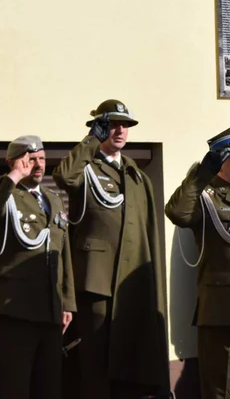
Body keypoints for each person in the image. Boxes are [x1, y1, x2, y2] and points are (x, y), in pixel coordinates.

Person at [52, 100, 168, 399]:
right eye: (112, 124)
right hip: (97, 280)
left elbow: (147, 232)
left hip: (131, 280)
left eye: (125, 125)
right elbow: (64, 176)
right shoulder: (87, 168)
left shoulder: (136, 175)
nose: (120, 130)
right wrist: (92, 139)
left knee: (131, 358)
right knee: (95, 361)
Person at [0, 135, 75, 399]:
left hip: (51, 311)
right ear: (15, 162)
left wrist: (68, 303)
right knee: (17, 386)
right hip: (16, 310)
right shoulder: (4, 193)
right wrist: (15, 175)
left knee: (51, 386)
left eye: (42, 158)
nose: (39, 165)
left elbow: (63, 253)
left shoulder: (54, 199)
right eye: (31, 159)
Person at [165, 125, 230, 399]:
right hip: (226, 311)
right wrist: (201, 174)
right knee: (224, 391)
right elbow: (177, 212)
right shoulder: (207, 195)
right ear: (220, 161)